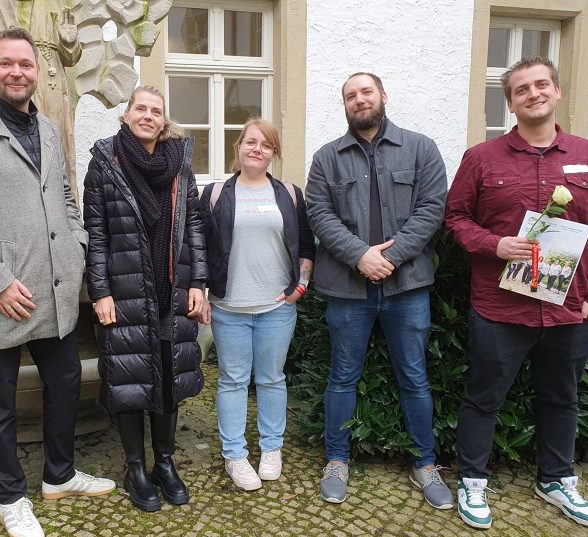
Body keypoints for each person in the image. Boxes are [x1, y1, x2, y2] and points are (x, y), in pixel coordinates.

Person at [0, 28, 114, 537]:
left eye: (26, 65)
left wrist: (76, 248)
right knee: (0, 403)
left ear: (37, 71)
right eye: (6, 63)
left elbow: (65, 196)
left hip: (53, 290)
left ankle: (59, 474)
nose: (17, 72)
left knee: (66, 383)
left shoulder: (50, 130)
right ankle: (11, 498)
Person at [446, 56, 588, 530]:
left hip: (569, 310)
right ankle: (472, 480)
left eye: (541, 85)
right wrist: (492, 244)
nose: (533, 94)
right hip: (499, 308)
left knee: (562, 399)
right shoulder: (482, 158)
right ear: (511, 102)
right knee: (483, 398)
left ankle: (556, 479)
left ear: (557, 91)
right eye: (522, 89)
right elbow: (456, 218)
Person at [306, 72, 452, 509]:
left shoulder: (421, 148)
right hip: (348, 289)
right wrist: (360, 256)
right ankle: (336, 459)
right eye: (350, 95)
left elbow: (432, 207)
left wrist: (391, 256)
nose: (359, 100)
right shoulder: (326, 158)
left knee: (415, 377)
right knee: (342, 377)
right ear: (345, 105)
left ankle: (425, 464)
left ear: (383, 96)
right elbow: (319, 213)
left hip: (407, 287)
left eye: (366, 92)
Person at [83, 85, 207, 513]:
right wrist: (99, 290)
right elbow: (95, 235)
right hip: (126, 290)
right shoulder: (104, 164)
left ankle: (165, 463)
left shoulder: (180, 166)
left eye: (156, 110)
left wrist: (198, 282)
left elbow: (194, 229)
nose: (148, 116)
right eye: (141, 108)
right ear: (126, 115)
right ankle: (135, 468)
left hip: (170, 288)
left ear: (163, 119)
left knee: (169, 375)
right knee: (130, 378)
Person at [198, 119, 315, 491]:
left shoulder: (290, 194)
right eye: (251, 142)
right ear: (239, 147)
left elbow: (307, 246)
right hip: (228, 306)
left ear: (274, 153)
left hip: (277, 307)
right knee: (232, 380)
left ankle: (271, 449)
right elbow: (197, 246)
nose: (257, 149)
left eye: (266, 144)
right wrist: (199, 289)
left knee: (271, 379)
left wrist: (302, 284)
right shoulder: (216, 193)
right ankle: (234, 454)